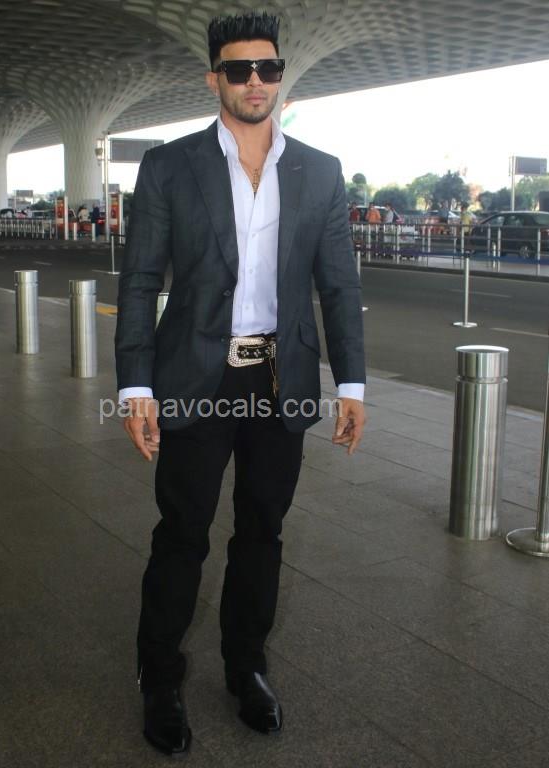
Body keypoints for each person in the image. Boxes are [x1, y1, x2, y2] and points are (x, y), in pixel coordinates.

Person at [115, 11, 366, 756]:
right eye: (238, 69)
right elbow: (139, 283)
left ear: (280, 76)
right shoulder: (169, 166)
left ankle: (245, 667)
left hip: (280, 378)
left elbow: (338, 287)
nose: (254, 81)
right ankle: (159, 678)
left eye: (267, 68)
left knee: (262, 531)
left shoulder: (319, 170)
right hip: (196, 375)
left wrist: (351, 384)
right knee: (182, 534)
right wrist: (135, 388)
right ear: (214, 79)